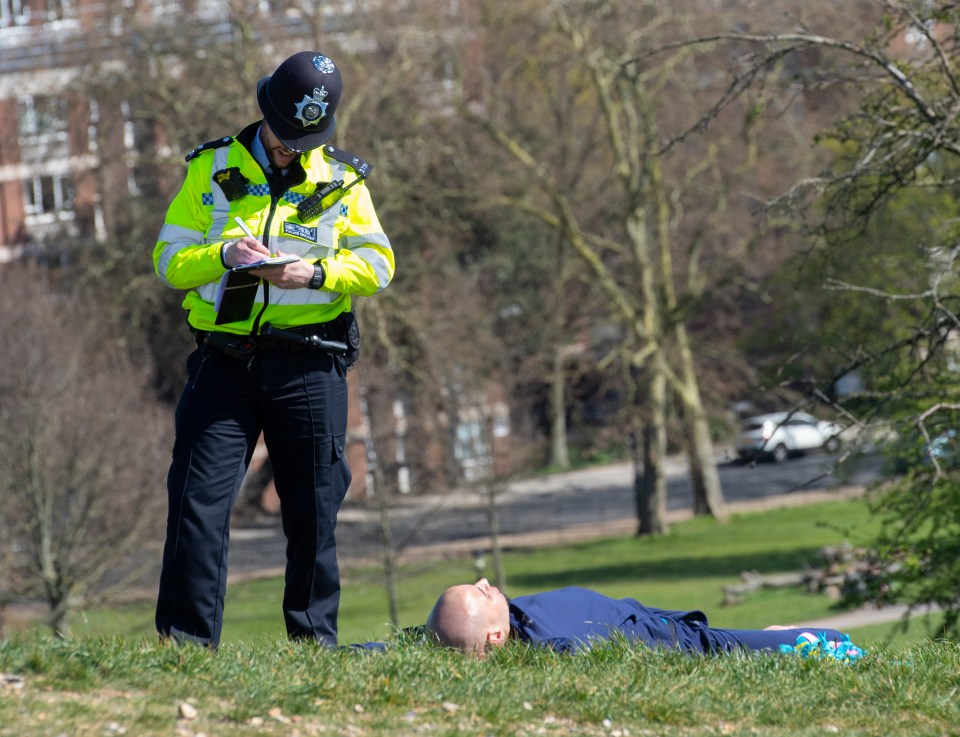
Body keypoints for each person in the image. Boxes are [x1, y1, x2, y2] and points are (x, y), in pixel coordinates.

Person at [153, 51, 394, 648]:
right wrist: (223, 256)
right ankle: (186, 647)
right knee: (196, 508)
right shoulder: (210, 169)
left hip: (308, 364)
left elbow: (378, 264)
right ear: (265, 113)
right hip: (223, 364)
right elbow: (168, 260)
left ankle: (313, 646)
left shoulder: (342, 180)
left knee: (313, 513)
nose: (293, 149)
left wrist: (313, 275)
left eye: (303, 140)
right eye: (285, 138)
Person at [424, 579, 861, 659]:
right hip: (690, 645)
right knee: (832, 641)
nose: (486, 581)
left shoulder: (513, 622)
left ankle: (764, 637)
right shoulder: (553, 645)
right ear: (494, 636)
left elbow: (401, 641)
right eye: (480, 592)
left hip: (668, 620)